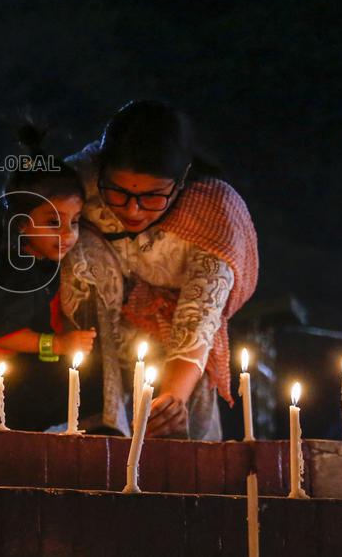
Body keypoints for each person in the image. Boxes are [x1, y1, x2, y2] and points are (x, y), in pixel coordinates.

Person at [63, 100, 258, 440]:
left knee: (178, 455)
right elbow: (20, 224)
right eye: (119, 193)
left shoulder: (217, 216)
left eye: (152, 196)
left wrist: (172, 401)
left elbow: (199, 315)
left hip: (177, 345)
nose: (134, 210)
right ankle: (99, 417)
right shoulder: (75, 183)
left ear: (180, 181)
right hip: (92, 346)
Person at [0, 125, 118, 432]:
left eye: (75, 221)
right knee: (92, 386)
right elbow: (1, 334)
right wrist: (58, 343)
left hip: (26, 372)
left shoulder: (40, 261)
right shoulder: (18, 270)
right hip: (8, 379)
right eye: (53, 222)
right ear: (21, 224)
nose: (68, 234)